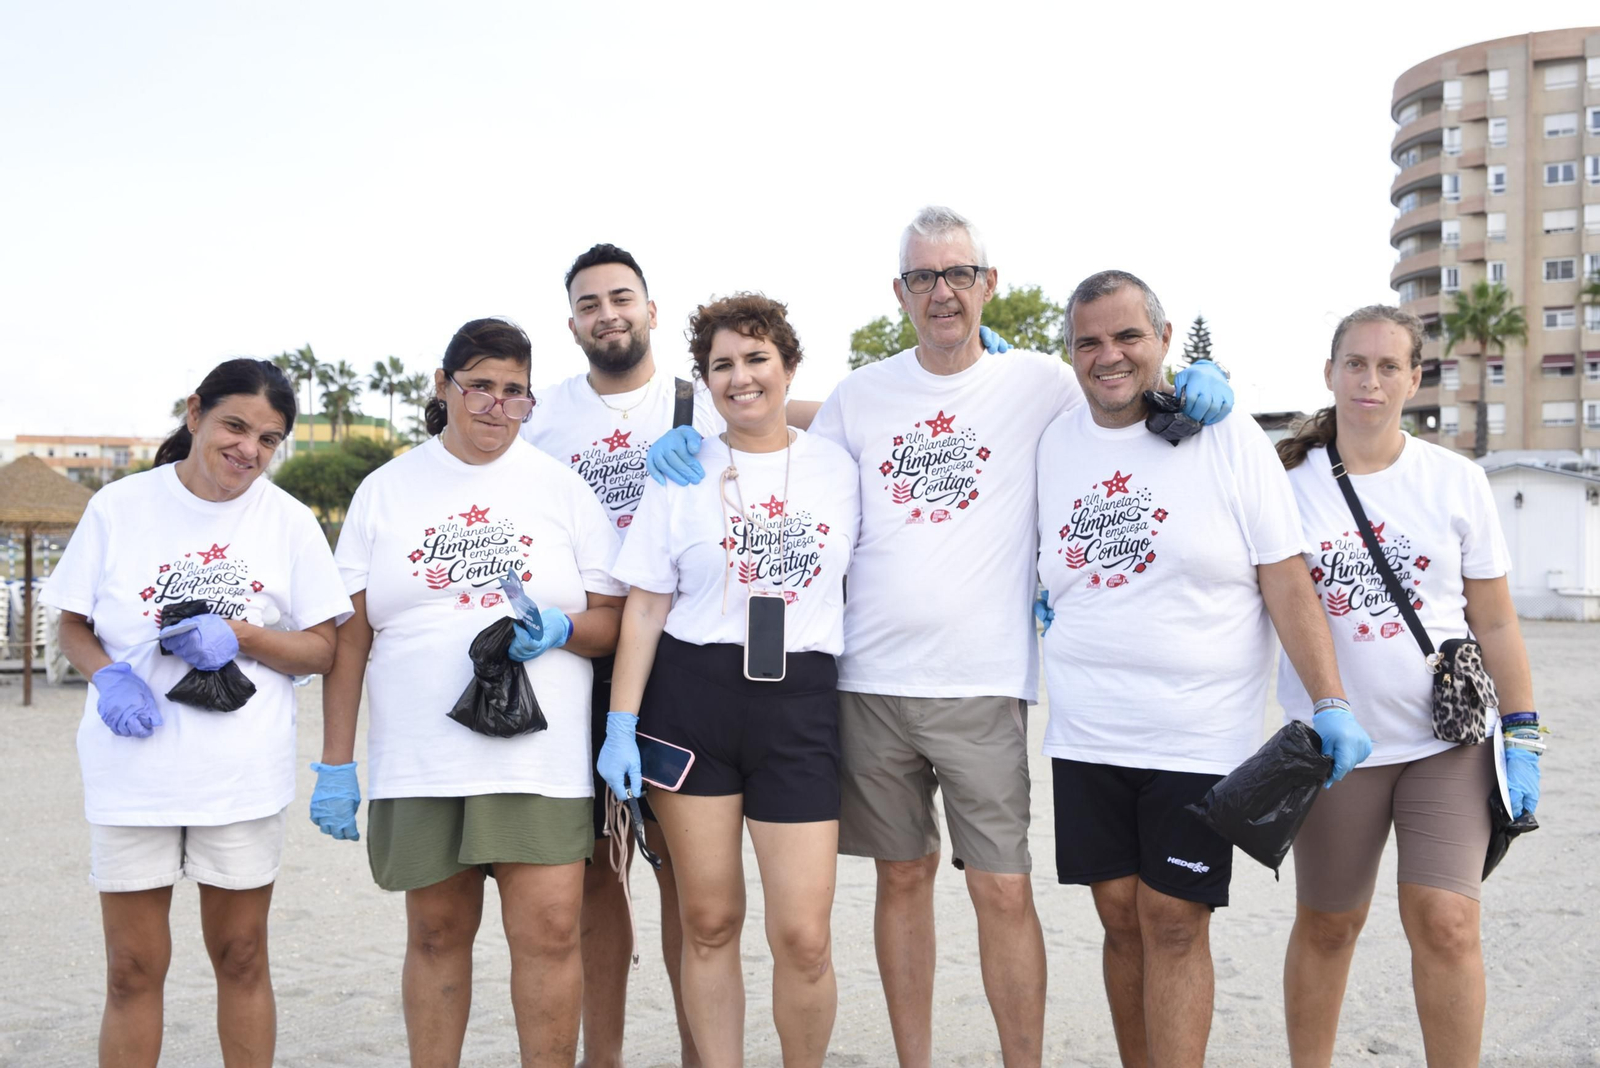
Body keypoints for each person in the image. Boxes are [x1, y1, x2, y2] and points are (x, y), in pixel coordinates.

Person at [651, 207, 1234, 1067]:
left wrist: (1196, 376)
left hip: (985, 682)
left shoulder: (1038, 380)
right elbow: (782, 433)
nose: (943, 292)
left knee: (1003, 890)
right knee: (903, 879)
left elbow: (1122, 372)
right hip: (869, 683)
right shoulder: (862, 394)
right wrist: (698, 440)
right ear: (901, 292)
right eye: (923, 277)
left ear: (988, 284)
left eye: (959, 274)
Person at [1035, 270, 1370, 1068]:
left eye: (1127, 337)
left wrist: (1331, 699)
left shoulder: (1227, 437)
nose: (1108, 356)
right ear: (1070, 353)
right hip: (1085, 728)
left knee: (1174, 919)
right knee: (1118, 916)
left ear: (1164, 340)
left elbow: (1285, 575)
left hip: (1197, 730)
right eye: (1089, 342)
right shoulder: (1052, 439)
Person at [313, 318, 627, 1065]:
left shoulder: (562, 490)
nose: (495, 405)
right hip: (421, 757)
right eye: (479, 386)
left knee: (551, 933)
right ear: (442, 387)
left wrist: (561, 629)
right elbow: (350, 638)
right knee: (435, 934)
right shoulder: (386, 489)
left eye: (514, 392)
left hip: (537, 761)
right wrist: (335, 763)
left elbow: (612, 620)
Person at [43, 358, 351, 1068]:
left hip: (238, 777)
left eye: (269, 439)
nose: (248, 449)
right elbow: (73, 624)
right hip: (133, 774)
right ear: (195, 414)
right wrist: (109, 677)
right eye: (235, 426)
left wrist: (242, 635)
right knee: (130, 969)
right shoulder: (120, 507)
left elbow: (322, 649)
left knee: (241, 957)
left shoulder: (290, 522)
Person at [1275, 306, 1540, 1068]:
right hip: (1336, 746)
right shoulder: (1285, 484)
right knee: (1329, 925)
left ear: (1415, 380)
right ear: (1330, 373)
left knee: (1447, 921)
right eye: (1355, 363)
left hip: (1446, 741)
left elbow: (1495, 622)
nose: (1370, 380)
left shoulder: (1454, 481)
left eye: (1389, 366)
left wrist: (1522, 734)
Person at [599, 293, 859, 1067]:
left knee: (804, 936)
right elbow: (644, 608)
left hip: (800, 706)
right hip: (692, 704)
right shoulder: (680, 471)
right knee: (708, 921)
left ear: (787, 365)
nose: (740, 378)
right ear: (704, 381)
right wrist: (621, 723)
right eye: (721, 366)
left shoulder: (839, 466)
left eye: (756, 359)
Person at [520, 243, 718, 1067]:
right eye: (591, 304)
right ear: (572, 325)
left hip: (677, 660)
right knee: (597, 874)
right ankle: (602, 1055)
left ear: (651, 311)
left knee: (684, 878)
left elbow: (824, 416)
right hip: (575, 656)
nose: (608, 313)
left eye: (621, 298)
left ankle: (697, 1050)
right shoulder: (545, 415)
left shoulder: (700, 401)